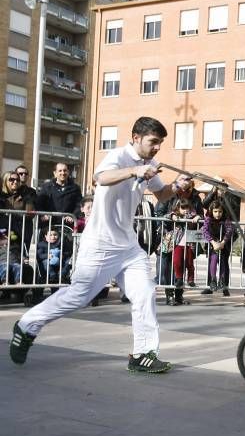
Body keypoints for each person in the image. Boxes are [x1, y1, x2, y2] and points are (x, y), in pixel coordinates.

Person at [10, 116, 179, 372]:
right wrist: (134, 171)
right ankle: (27, 325)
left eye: (160, 143)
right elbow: (100, 177)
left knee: (144, 294)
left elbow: (161, 193)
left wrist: (176, 187)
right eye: (153, 142)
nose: (157, 148)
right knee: (77, 297)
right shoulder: (119, 156)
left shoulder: (150, 163)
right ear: (136, 138)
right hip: (101, 243)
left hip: (129, 246)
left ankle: (143, 354)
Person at [169, 199, 201, 306]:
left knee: (189, 263)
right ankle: (179, 279)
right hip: (178, 244)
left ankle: (190, 279)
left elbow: (201, 217)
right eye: (183, 208)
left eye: (187, 207)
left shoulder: (192, 215)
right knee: (177, 262)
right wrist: (172, 216)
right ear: (178, 208)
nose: (185, 210)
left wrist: (197, 217)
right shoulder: (175, 215)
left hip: (189, 245)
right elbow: (167, 215)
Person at [202, 200, 234, 296]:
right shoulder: (208, 219)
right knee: (214, 259)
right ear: (212, 211)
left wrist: (223, 242)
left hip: (223, 244)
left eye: (220, 211)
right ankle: (212, 280)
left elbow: (229, 230)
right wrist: (213, 242)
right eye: (215, 211)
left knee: (223, 261)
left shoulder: (226, 219)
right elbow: (205, 230)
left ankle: (223, 282)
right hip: (213, 244)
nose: (218, 214)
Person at [35, 163, 82, 227]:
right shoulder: (47, 187)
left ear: (68, 172)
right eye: (60, 171)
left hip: (67, 226)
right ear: (55, 173)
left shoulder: (75, 188)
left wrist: (73, 216)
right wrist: (43, 215)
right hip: (48, 226)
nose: (63, 173)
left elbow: (79, 205)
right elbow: (39, 203)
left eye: (65, 170)